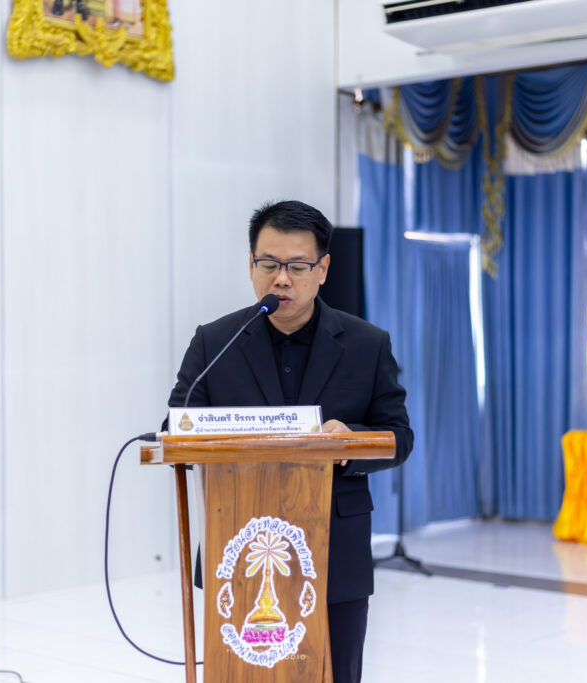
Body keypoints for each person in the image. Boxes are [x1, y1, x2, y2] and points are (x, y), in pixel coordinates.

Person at [167, 199, 412, 683]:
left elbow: (399, 437)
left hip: (335, 551)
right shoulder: (215, 342)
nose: (281, 279)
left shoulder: (366, 344)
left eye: (297, 267)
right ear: (250, 266)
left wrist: (351, 442)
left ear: (323, 270)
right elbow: (178, 426)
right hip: (237, 551)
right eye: (269, 264)